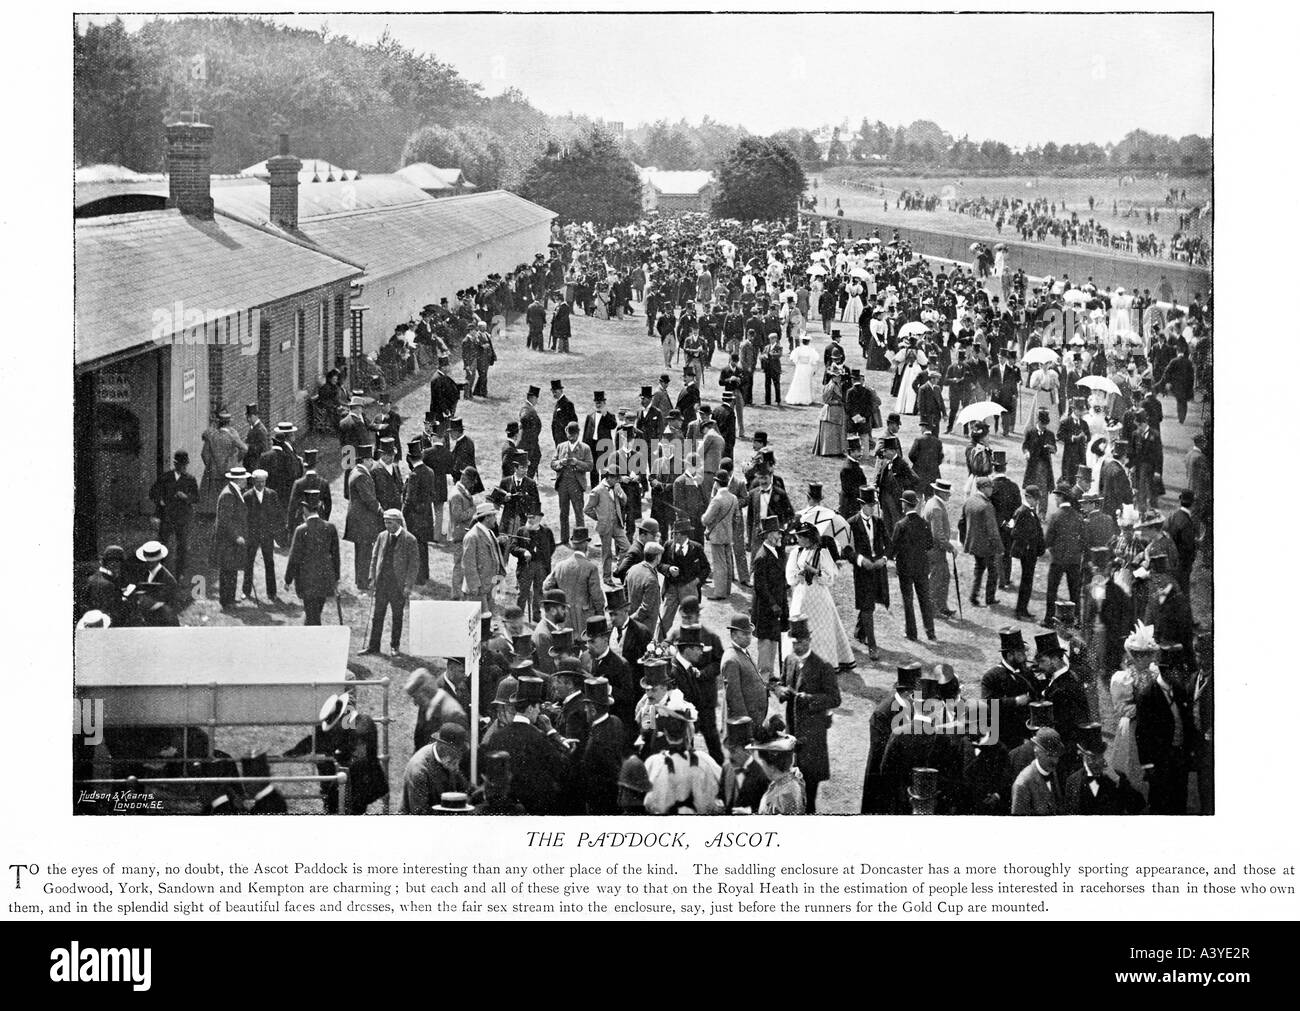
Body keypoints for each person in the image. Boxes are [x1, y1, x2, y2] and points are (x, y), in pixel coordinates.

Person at [774, 614, 841, 813]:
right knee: (793, 779)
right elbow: (782, 682)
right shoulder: (789, 660)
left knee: (810, 783)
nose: (798, 646)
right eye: (795, 642)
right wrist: (780, 691)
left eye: (802, 642)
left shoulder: (823, 666)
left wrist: (810, 699)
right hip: (793, 730)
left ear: (810, 640)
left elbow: (835, 699)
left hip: (813, 734)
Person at [786, 522, 855, 668]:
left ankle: (824, 663)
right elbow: (790, 577)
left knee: (821, 630)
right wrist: (799, 575)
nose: (797, 539)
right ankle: (801, 660)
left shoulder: (822, 553)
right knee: (801, 626)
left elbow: (830, 579)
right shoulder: (795, 552)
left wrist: (816, 571)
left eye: (800, 536)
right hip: (801, 596)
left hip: (819, 598)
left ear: (808, 538)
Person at [1061, 723, 1146, 815]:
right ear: (1082, 755)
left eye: (1100, 756)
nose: (1097, 762)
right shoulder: (1073, 781)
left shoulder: (1116, 777)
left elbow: (1138, 806)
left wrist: (1118, 781)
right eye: (1092, 757)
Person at [284, 489, 339, 626]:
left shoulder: (301, 530)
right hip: (325, 579)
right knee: (315, 612)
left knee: (312, 615)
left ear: (305, 509)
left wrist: (288, 580)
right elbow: (336, 556)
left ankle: (313, 641)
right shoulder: (330, 528)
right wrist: (336, 578)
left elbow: (294, 558)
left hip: (306, 580)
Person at [890, 489, 936, 641]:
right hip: (922, 567)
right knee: (925, 600)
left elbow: (892, 549)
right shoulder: (924, 523)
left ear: (904, 505)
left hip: (905, 569)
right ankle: (930, 631)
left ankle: (911, 633)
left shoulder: (900, 525)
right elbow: (930, 545)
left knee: (908, 601)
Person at [399, 723, 470, 815]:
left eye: (460, 750)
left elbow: (462, 786)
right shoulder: (419, 770)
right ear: (441, 746)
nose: (459, 756)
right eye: (455, 751)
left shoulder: (448, 760)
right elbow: (420, 813)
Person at [543, 526, 604, 633]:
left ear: (572, 544)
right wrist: (600, 615)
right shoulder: (591, 567)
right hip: (585, 619)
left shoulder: (560, 566)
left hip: (564, 617)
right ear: (586, 544)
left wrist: (559, 603)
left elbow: (546, 586)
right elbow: (597, 596)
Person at [149, 449, 198, 574]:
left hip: (182, 518)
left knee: (182, 547)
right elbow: (153, 492)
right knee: (162, 545)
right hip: (167, 517)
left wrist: (186, 497)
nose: (182, 467)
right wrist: (160, 500)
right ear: (175, 464)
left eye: (184, 465)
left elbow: (197, 498)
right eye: (180, 465)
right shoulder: (165, 477)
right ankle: (160, 572)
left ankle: (179, 574)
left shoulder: (190, 479)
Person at [1043, 482, 1084, 626]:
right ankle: (1077, 620)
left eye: (1056, 496)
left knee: (1052, 590)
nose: (1055, 499)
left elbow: (1048, 540)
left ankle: (1049, 619)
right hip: (1074, 560)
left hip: (1058, 559)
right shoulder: (1078, 516)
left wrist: (1050, 549)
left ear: (1061, 497)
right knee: (1074, 592)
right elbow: (1083, 538)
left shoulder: (1055, 516)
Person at [462, 499, 509, 620]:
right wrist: (475, 588)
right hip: (478, 590)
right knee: (479, 624)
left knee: (487, 622)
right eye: (494, 516)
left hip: (488, 586)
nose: (495, 519)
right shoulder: (472, 536)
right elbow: (468, 564)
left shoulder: (490, 533)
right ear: (487, 517)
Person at [211, 465, 250, 609]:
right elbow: (225, 520)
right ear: (238, 479)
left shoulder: (235, 491)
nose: (246, 480)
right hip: (227, 540)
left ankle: (231, 599)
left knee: (232, 569)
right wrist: (236, 537)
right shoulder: (228, 494)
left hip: (231, 540)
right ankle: (226, 601)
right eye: (244, 478)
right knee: (227, 571)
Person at [344, 445, 382, 591]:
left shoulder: (356, 471)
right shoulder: (361, 476)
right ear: (366, 460)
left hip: (358, 519)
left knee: (361, 552)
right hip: (362, 520)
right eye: (371, 459)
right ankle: (363, 583)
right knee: (364, 553)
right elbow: (368, 498)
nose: (372, 462)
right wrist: (380, 509)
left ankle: (361, 580)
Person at [960, 477, 1002, 608]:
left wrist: (965, 540)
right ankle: (990, 598)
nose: (992, 490)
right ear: (983, 488)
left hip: (974, 544)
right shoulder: (987, 506)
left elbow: (961, 523)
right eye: (990, 487)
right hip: (987, 546)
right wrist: (999, 547)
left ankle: (973, 596)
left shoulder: (969, 502)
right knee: (993, 571)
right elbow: (993, 530)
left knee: (978, 569)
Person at [721, 613, 767, 728]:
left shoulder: (743, 651)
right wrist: (745, 723)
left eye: (750, 634)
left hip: (755, 717)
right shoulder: (731, 659)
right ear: (734, 636)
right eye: (744, 634)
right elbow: (734, 696)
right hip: (745, 722)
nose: (748, 637)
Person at [242, 469, 281, 600]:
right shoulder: (247, 496)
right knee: (248, 563)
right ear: (253, 481)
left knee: (269, 563)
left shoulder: (272, 495)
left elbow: (277, 515)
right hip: (252, 535)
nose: (261, 485)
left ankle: (272, 592)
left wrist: (274, 532)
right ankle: (246, 591)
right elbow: (244, 517)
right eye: (258, 482)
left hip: (267, 535)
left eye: (263, 482)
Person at [552, 421, 593, 545]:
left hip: (576, 484)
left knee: (578, 513)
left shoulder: (585, 448)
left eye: (574, 434)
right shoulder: (561, 446)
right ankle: (564, 539)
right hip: (563, 483)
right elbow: (553, 463)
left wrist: (577, 462)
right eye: (569, 434)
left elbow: (590, 465)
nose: (571, 437)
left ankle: (580, 539)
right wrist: (561, 463)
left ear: (578, 434)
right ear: (566, 433)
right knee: (563, 512)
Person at [199, 410, 247, 515]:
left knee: (215, 497)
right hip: (228, 472)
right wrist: (234, 461)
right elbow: (244, 448)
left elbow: (204, 454)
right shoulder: (233, 434)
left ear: (219, 422)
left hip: (214, 473)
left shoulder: (211, 436)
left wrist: (210, 465)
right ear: (228, 422)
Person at [700, 471, 739, 599]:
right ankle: (727, 590)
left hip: (717, 535)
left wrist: (702, 517)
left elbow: (706, 519)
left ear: (716, 483)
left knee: (719, 565)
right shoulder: (733, 498)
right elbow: (736, 517)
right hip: (728, 534)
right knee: (728, 563)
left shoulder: (717, 499)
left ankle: (720, 593)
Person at [1009, 485, 1046, 619]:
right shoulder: (1022, 511)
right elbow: (1015, 532)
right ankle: (1020, 610)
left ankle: (1023, 608)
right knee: (1026, 581)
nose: (1037, 502)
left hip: (1031, 551)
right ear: (1028, 497)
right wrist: (1028, 543)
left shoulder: (1029, 511)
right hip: (1027, 552)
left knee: (1028, 581)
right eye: (1035, 499)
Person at [923, 479, 958, 618]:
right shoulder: (936, 507)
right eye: (947, 493)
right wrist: (951, 548)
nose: (949, 496)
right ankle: (933, 610)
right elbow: (938, 535)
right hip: (935, 550)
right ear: (941, 493)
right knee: (937, 580)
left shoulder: (932, 503)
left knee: (944, 577)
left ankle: (942, 607)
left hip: (935, 549)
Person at [1009, 727, 1064, 815]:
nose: (1054, 760)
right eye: (1049, 755)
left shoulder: (1053, 772)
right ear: (1036, 752)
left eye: (1056, 755)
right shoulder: (1022, 784)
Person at [1022, 409, 1057, 518]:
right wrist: (1026, 452)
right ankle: (1031, 512)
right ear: (1038, 421)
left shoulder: (1050, 434)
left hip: (1044, 466)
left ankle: (1042, 513)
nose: (1043, 426)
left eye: (1045, 424)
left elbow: (1055, 449)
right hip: (1032, 465)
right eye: (1042, 424)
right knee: (1032, 488)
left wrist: (1052, 448)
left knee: (1043, 490)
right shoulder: (1030, 432)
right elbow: (1025, 446)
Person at [812, 369, 846, 456]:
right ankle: (828, 451)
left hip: (837, 411)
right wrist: (837, 402)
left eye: (840, 376)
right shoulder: (830, 386)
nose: (839, 378)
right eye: (837, 376)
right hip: (831, 410)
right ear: (833, 377)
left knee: (836, 431)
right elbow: (825, 400)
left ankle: (836, 451)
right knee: (830, 431)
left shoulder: (838, 385)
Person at [786, 336, 818, 405]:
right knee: (805, 382)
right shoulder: (811, 350)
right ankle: (804, 399)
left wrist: (797, 362)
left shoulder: (798, 349)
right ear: (808, 342)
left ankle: (797, 398)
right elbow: (814, 360)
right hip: (807, 367)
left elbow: (793, 358)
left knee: (798, 381)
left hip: (800, 367)